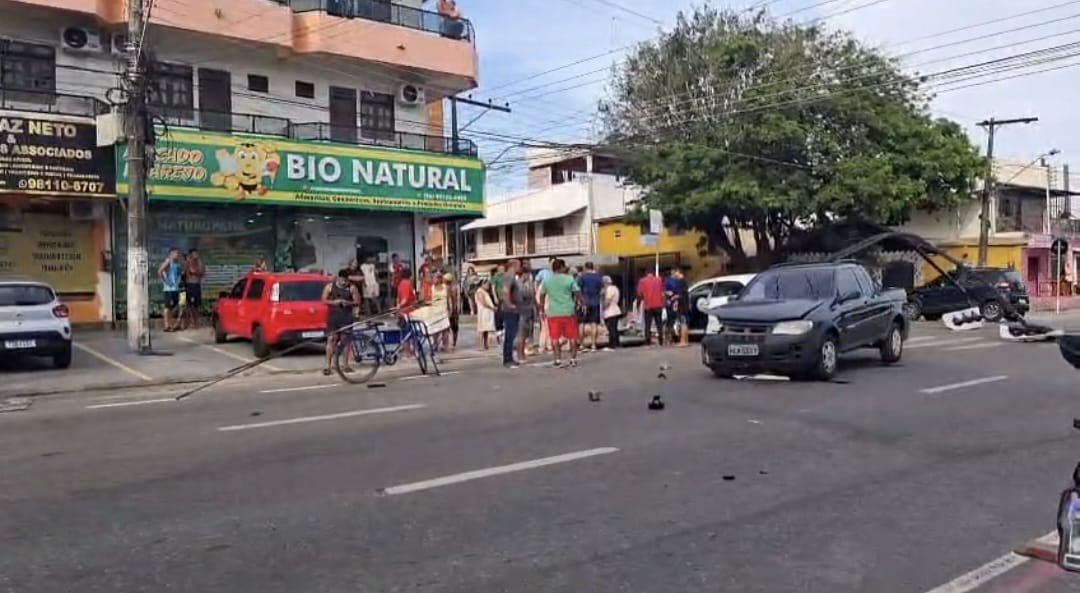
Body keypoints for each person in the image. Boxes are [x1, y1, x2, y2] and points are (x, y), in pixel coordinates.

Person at [539, 258, 581, 368]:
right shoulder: (569, 279)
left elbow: (542, 295)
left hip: (553, 312)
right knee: (572, 336)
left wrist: (541, 309)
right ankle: (573, 359)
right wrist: (581, 303)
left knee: (554, 337)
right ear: (562, 267)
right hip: (568, 311)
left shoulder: (547, 280)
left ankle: (557, 359)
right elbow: (577, 292)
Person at [322, 269, 360, 376]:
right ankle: (327, 366)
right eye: (342, 279)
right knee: (331, 339)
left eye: (346, 280)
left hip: (346, 317)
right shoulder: (330, 287)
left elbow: (357, 301)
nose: (344, 282)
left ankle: (345, 365)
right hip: (333, 317)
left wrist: (348, 303)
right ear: (338, 278)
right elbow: (323, 300)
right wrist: (334, 302)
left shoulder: (352, 288)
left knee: (346, 341)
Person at [499, 259, 523, 368]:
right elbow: (505, 291)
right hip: (510, 311)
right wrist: (509, 304)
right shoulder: (509, 276)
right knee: (510, 334)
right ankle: (507, 359)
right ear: (513, 266)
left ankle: (510, 358)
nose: (520, 267)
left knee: (512, 334)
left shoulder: (512, 277)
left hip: (514, 310)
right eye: (519, 265)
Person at [576, 261, 604, 352]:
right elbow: (602, 291)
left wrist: (579, 301)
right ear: (593, 267)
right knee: (594, 323)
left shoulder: (581, 277)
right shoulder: (599, 278)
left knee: (581, 324)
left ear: (585, 267)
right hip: (595, 302)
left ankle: (581, 344)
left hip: (584, 302)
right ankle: (593, 345)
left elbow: (577, 289)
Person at [637, 269, 666, 346]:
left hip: (648, 305)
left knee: (647, 324)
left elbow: (640, 294)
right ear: (653, 273)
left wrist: (640, 301)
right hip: (658, 304)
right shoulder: (659, 280)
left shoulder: (642, 281)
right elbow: (662, 292)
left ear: (646, 273)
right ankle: (661, 340)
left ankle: (647, 341)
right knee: (659, 324)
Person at [158, 248, 183, 332]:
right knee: (168, 307)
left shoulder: (177, 263)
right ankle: (166, 325)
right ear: (171, 254)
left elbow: (179, 274)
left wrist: (178, 281)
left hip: (175, 288)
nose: (177, 255)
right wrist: (166, 281)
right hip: (168, 289)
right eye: (175, 253)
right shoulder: (168, 261)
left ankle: (171, 323)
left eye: (177, 253)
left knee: (175, 306)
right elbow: (160, 271)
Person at [516, 268, 538, 360]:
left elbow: (533, 298)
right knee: (521, 334)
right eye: (527, 274)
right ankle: (520, 355)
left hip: (528, 311)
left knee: (526, 333)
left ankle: (525, 352)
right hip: (521, 312)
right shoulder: (518, 286)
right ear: (524, 274)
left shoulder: (527, 285)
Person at [667, 268, 690, 347]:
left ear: (679, 272)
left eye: (675, 272)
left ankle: (683, 341)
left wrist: (672, 299)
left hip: (682, 305)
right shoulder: (684, 282)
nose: (674, 274)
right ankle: (686, 341)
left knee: (683, 323)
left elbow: (679, 295)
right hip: (685, 305)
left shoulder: (680, 282)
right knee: (685, 323)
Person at [184, 248, 206, 329]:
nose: (196, 256)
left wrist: (197, 270)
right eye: (194, 254)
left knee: (197, 305)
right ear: (191, 255)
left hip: (197, 285)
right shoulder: (188, 263)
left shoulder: (199, 263)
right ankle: (188, 322)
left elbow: (202, 272)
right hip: (189, 285)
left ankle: (196, 322)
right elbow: (188, 271)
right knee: (188, 305)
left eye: (197, 254)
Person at [601, 275, 622, 350]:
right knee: (615, 328)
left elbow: (608, 300)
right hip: (616, 310)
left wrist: (603, 307)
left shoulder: (609, 289)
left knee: (611, 328)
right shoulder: (615, 288)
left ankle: (612, 344)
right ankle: (617, 343)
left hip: (610, 311)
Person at [475, 278, 497, 350]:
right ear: (483, 284)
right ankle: (481, 345)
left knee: (486, 329)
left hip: (487, 312)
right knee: (482, 329)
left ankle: (486, 344)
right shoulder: (479, 292)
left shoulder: (485, 292)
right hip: (483, 312)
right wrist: (492, 308)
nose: (488, 286)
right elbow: (483, 303)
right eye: (487, 284)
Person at [442, 273, 461, 350]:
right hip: (453, 309)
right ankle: (453, 342)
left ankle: (447, 343)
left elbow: (450, 300)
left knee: (447, 327)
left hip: (450, 309)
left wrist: (451, 310)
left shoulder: (448, 288)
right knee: (454, 327)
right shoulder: (454, 287)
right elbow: (458, 299)